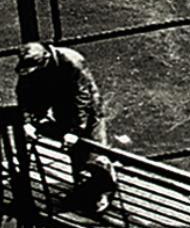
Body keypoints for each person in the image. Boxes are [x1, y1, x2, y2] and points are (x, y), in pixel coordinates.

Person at [15, 42, 116, 213]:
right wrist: (27, 122)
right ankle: (84, 188)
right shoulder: (31, 66)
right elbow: (23, 93)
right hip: (60, 104)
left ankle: (104, 189)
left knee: (94, 151)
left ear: (46, 58)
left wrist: (75, 131)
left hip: (87, 107)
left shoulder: (72, 61)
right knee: (75, 153)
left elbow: (82, 97)